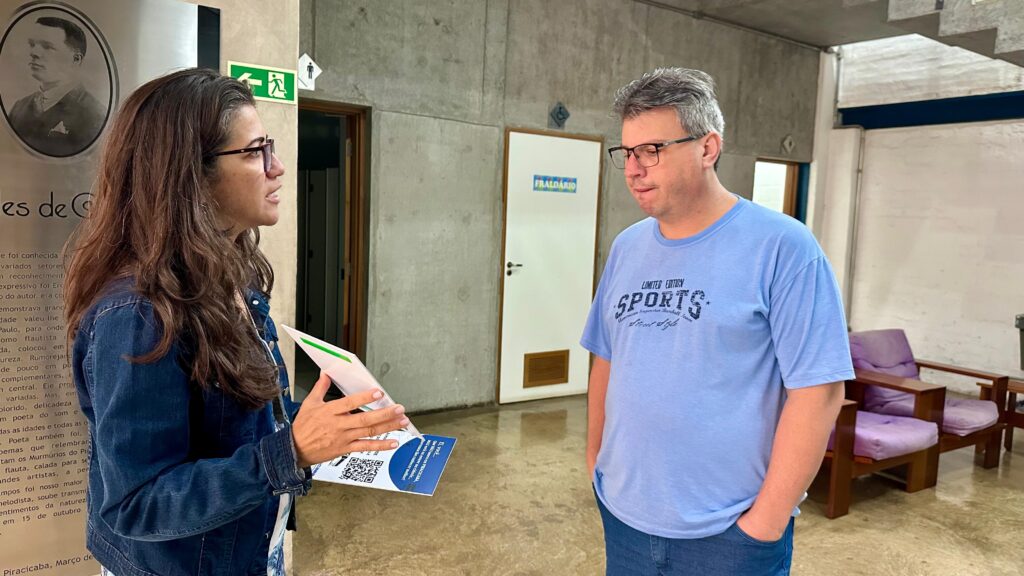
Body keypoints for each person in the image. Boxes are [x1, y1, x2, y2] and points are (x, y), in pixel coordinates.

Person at [63, 68, 408, 575]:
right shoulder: (137, 313)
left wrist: (337, 425)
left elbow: (234, 417)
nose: (279, 167)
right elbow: (136, 503)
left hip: (245, 550)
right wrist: (287, 452)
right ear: (189, 173)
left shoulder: (227, 274)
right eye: (255, 152)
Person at [581, 67, 854, 576]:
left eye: (652, 150)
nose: (634, 169)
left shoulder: (783, 247)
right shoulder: (627, 247)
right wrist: (597, 464)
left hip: (731, 535)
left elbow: (819, 392)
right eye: (627, 152)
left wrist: (765, 522)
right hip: (624, 517)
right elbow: (606, 358)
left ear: (708, 148)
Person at [8, 16, 104, 156]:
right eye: (32, 44)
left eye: (47, 47)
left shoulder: (94, 115)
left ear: (75, 59)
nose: (34, 53)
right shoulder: (19, 108)